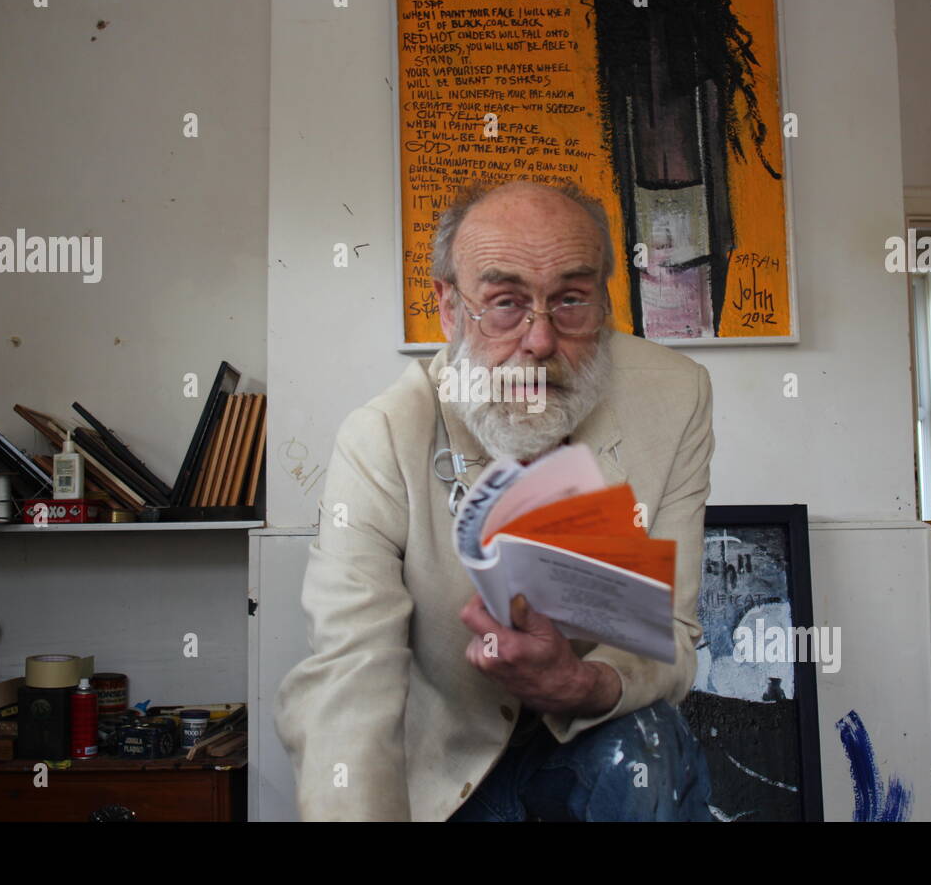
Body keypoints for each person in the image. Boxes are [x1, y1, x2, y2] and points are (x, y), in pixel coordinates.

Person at [275, 180, 717, 821]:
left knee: (648, 748)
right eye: (506, 302)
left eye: (570, 300)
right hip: (445, 770)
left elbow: (671, 634)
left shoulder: (676, 399)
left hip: (594, 741)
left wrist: (581, 683)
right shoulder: (383, 436)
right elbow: (349, 674)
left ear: (605, 302)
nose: (539, 342)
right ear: (450, 308)